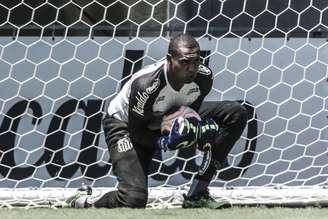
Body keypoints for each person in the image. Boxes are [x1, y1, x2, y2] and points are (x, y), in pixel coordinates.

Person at [64, 33, 248, 209]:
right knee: (133, 200)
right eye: (184, 62)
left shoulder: (204, 77)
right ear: (169, 59)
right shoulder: (147, 85)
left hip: (167, 115)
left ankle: (197, 194)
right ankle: (85, 200)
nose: (191, 69)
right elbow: (139, 134)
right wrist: (166, 141)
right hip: (126, 126)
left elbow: (190, 113)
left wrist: (198, 131)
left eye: (196, 61)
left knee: (235, 113)